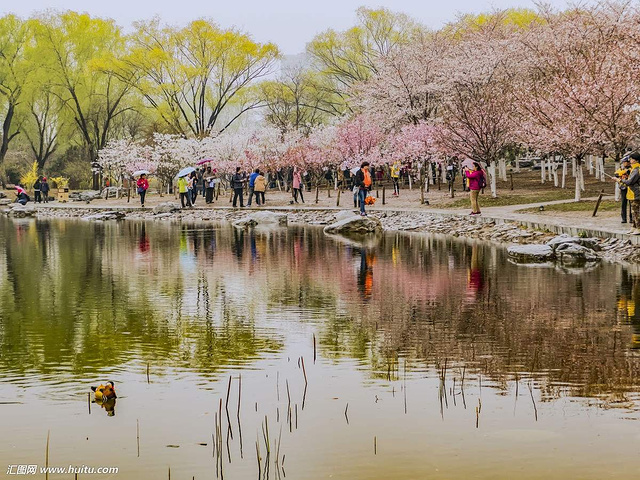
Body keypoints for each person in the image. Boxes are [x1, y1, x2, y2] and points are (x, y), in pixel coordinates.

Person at [617, 153, 640, 234]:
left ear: (635, 160)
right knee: (633, 212)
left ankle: (638, 227)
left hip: (636, 193)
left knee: (636, 212)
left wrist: (620, 180)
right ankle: (634, 227)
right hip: (632, 193)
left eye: (631, 159)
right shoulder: (633, 169)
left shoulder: (637, 169)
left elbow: (630, 182)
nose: (629, 160)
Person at [616, 158, 633, 224]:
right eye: (623, 162)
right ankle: (624, 218)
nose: (624, 163)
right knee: (623, 203)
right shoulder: (621, 168)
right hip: (623, 187)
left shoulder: (632, 168)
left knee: (631, 203)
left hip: (630, 187)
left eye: (625, 162)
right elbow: (617, 173)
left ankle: (631, 218)